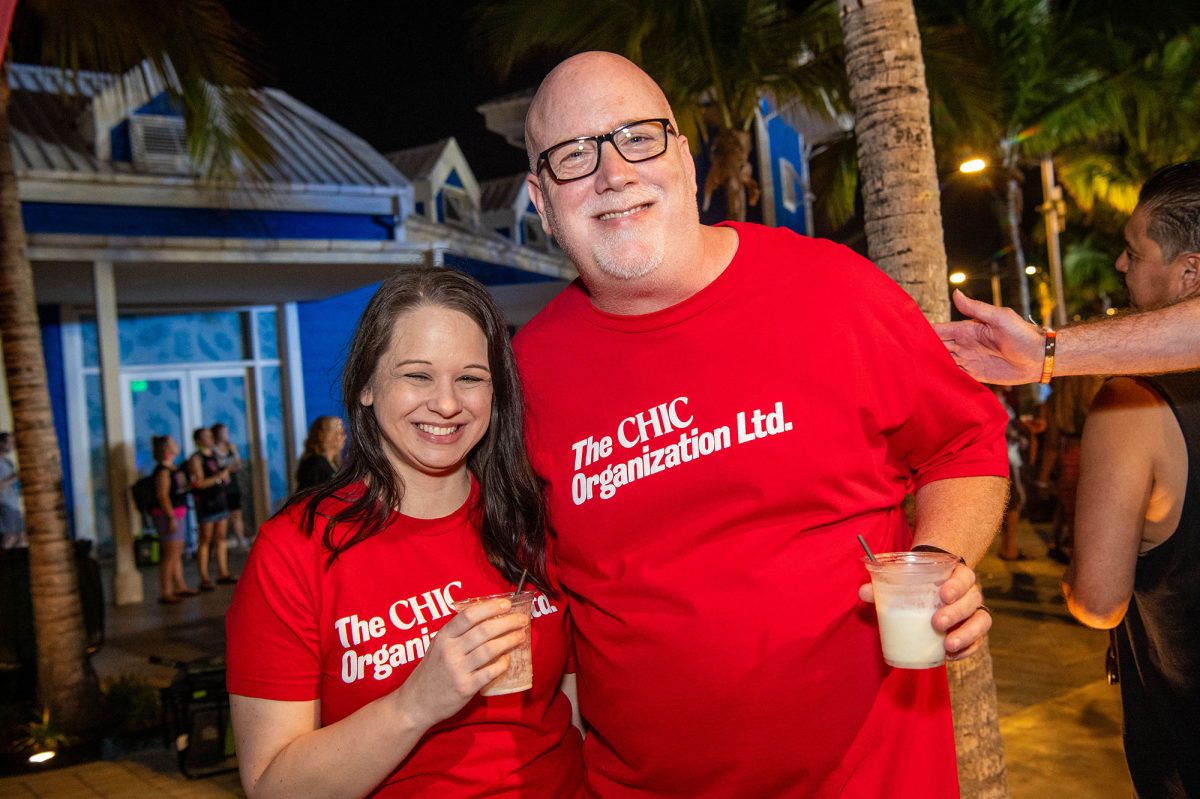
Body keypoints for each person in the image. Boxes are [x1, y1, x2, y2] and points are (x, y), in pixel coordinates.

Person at [513, 51, 1008, 797]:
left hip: (874, 779)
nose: (613, 172)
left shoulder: (833, 289)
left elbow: (964, 442)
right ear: (541, 200)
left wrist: (938, 563)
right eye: (574, 155)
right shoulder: (525, 374)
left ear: (684, 158)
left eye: (637, 137)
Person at [225, 268, 584, 798]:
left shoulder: (532, 516)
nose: (447, 404)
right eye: (418, 375)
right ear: (367, 386)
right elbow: (273, 788)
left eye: (471, 378)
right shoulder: (296, 549)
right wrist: (417, 703)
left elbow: (571, 706)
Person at [1061, 161, 1200, 797]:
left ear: (1189, 272)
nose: (1120, 264)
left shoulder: (1132, 401)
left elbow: (1098, 601)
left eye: (1134, 251)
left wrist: (1073, 575)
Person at [148, 435, 197, 604]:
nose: (177, 444)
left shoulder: (173, 468)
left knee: (176, 552)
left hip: (178, 513)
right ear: (166, 449)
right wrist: (171, 517)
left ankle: (180, 585)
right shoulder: (163, 471)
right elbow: (162, 495)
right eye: (173, 443)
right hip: (168, 515)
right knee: (169, 554)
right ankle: (166, 591)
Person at [188, 427, 235, 589]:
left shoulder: (215, 456)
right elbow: (199, 483)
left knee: (221, 537)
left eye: (210, 435)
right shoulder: (196, 458)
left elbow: (225, 471)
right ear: (198, 441)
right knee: (205, 539)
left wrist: (224, 477)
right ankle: (204, 576)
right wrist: (218, 478)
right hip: (206, 502)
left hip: (220, 499)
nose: (210, 438)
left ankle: (223, 572)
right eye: (206, 436)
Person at [211, 423, 248, 550]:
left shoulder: (231, 447)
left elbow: (238, 464)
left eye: (226, 432)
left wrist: (227, 469)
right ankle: (219, 544)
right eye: (223, 432)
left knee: (236, 513)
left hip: (233, 485)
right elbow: (215, 469)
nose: (226, 435)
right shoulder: (212, 450)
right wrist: (227, 469)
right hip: (219, 486)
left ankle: (240, 541)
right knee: (221, 517)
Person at [294, 415, 345, 491]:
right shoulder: (315, 465)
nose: (344, 437)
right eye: (340, 432)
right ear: (324, 435)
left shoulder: (330, 463)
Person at [0, 432, 27, 549]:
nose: (12, 446)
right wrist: (15, 477)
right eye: (10, 442)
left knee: (21, 536)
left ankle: (13, 559)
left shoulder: (8, 462)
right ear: (1, 444)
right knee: (10, 536)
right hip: (4, 504)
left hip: (14, 504)